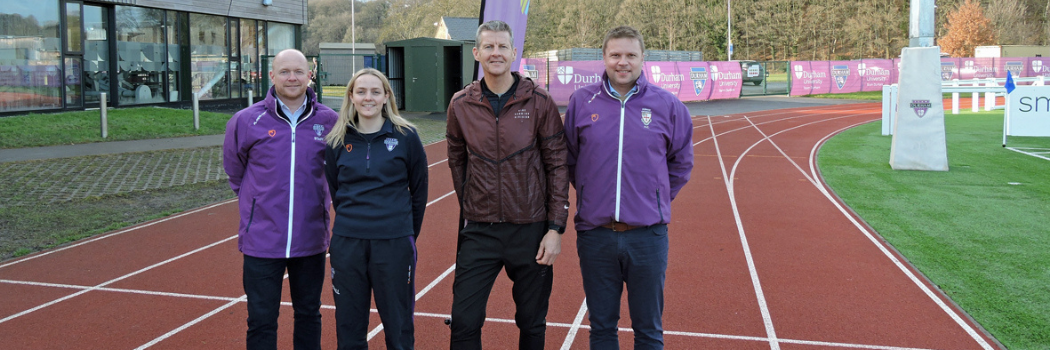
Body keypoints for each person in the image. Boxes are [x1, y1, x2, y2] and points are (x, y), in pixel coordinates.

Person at [563, 26, 694, 350]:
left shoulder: (668, 105)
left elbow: (681, 163)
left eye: (630, 55)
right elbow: (568, 160)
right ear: (604, 58)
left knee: (649, 330)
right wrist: (593, 194)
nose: (623, 62)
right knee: (602, 328)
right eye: (616, 55)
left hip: (647, 237)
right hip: (596, 235)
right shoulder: (582, 102)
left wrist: (654, 198)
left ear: (642, 58)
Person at [445, 20, 569, 350]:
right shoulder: (460, 105)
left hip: (530, 229)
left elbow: (557, 165)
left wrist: (555, 228)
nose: (495, 53)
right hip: (480, 231)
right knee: (464, 322)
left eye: (502, 47)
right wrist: (473, 201)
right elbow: (457, 162)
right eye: (489, 46)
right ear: (477, 53)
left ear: (514, 53)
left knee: (531, 322)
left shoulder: (540, 102)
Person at [222, 48, 338, 350]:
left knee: (309, 315)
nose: (292, 77)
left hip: (310, 238)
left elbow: (338, 171)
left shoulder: (330, 121)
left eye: (299, 71)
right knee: (261, 320)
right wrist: (256, 201)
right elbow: (235, 170)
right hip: (261, 239)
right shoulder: (247, 120)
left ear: (309, 76)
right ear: (271, 75)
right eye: (284, 71)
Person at [324, 68, 429, 350]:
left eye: (375, 92)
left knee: (398, 326)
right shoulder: (336, 140)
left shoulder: (407, 136)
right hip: (348, 244)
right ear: (351, 96)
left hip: (394, 242)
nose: (367, 97)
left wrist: (403, 232)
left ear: (386, 97)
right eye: (361, 91)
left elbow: (419, 192)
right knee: (349, 326)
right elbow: (336, 190)